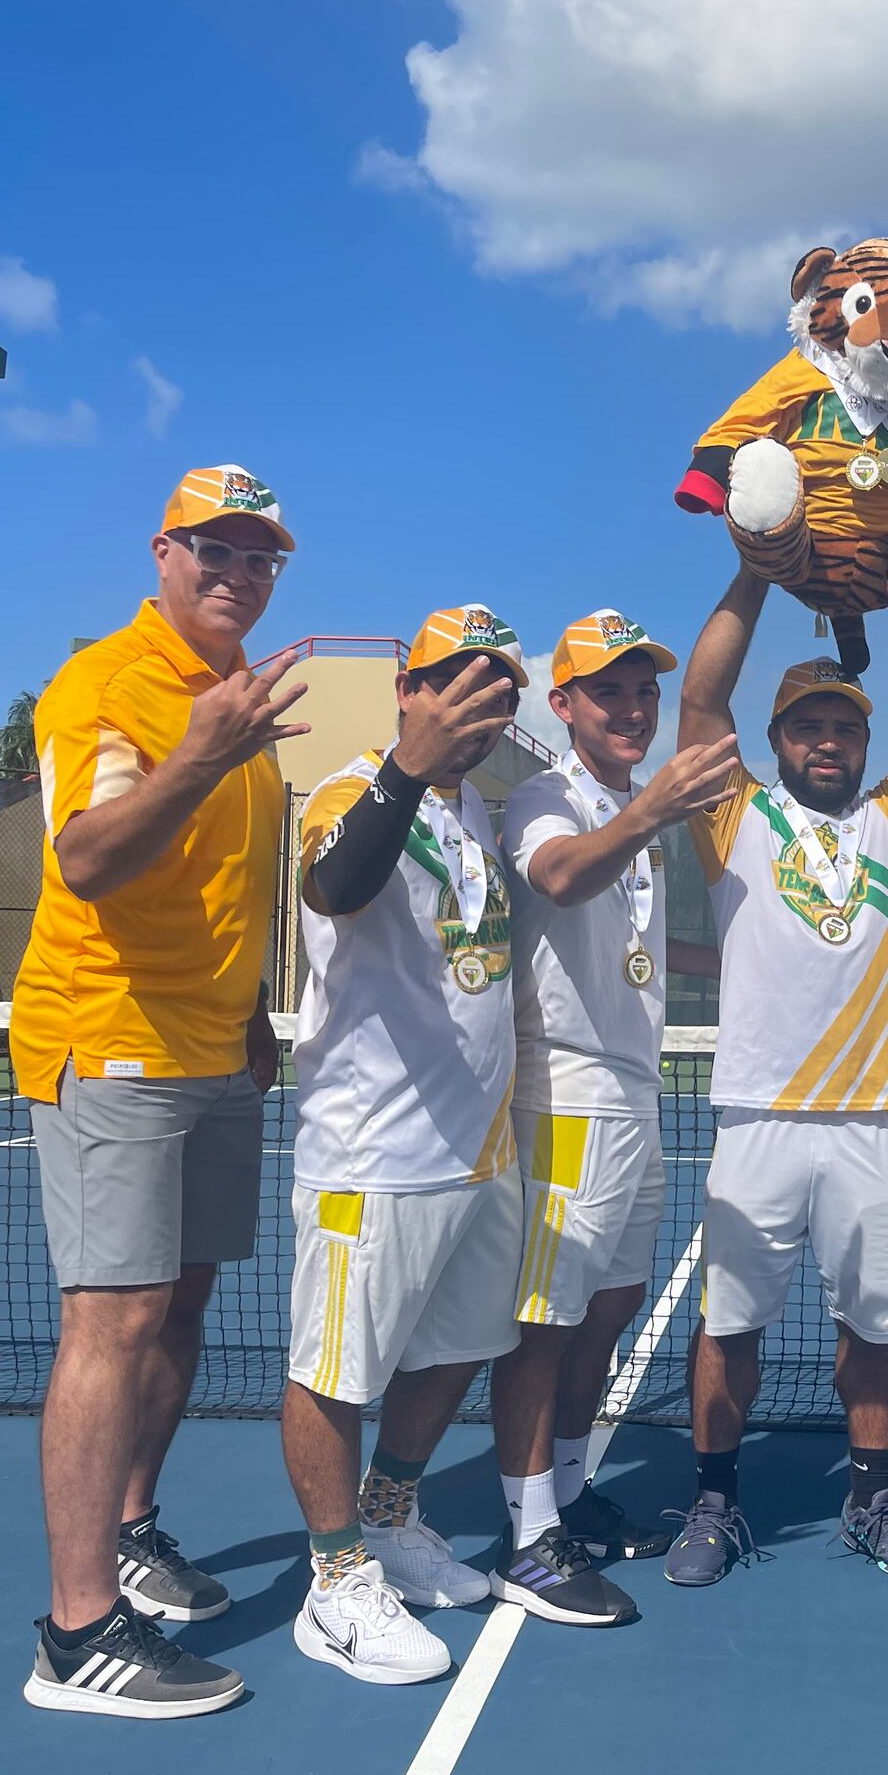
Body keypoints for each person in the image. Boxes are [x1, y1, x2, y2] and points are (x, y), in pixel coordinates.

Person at [15, 465, 307, 1718]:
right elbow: (88, 859)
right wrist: (198, 754)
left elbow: (224, 894)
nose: (237, 574)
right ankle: (77, 1634)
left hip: (211, 1050)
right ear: (162, 552)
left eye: (260, 558)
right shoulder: (106, 689)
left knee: (181, 1309)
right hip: (112, 1043)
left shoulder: (236, 705)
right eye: (216, 551)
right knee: (112, 1325)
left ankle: (133, 1527)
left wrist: (249, 1019)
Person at [278, 602, 575, 1683]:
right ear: (408, 689)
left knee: (458, 1349)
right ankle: (333, 1581)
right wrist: (404, 771)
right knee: (335, 1371)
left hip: (476, 1154)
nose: (478, 704)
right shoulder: (354, 790)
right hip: (374, 1154)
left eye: (497, 687)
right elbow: (335, 885)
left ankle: (390, 1517)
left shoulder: (480, 817)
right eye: (454, 681)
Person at [663, 570, 888, 1586]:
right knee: (730, 1324)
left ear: (863, 745)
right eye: (804, 726)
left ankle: (873, 1495)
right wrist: (750, 569)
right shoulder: (732, 817)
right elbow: (698, 702)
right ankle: (713, 1498)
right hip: (759, 1116)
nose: (825, 741)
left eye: (842, 727)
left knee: (872, 1330)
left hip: (873, 1121)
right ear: (778, 739)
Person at [492, 610, 739, 1616]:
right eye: (610, 691)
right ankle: (526, 1533)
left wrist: (746, 962)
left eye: (643, 691)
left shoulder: (625, 804)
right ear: (564, 706)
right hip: (566, 1092)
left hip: (634, 1093)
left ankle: (570, 1488)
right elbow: (560, 873)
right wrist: (653, 813)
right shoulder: (544, 800)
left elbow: (629, 943)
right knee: (543, 1325)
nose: (633, 707)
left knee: (611, 1307)